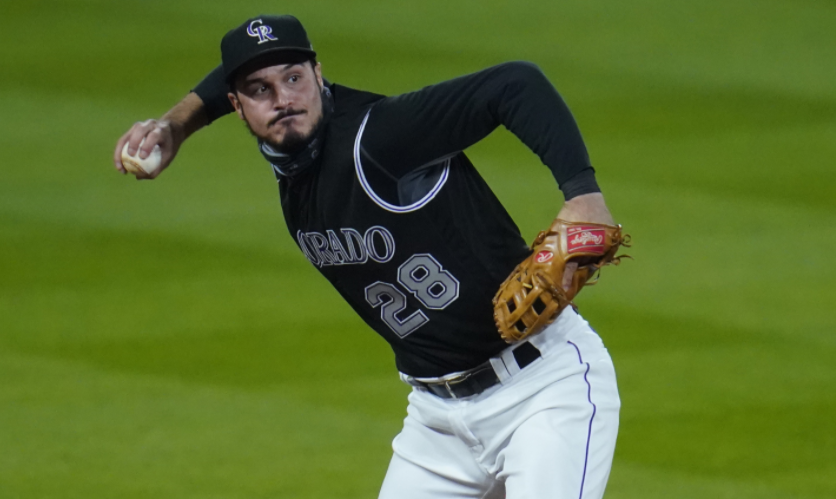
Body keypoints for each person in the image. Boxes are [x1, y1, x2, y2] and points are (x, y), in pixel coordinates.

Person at [113, 14, 621, 499]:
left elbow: (514, 84)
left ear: (318, 74)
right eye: (260, 91)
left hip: (542, 392)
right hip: (437, 421)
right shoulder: (292, 156)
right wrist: (176, 125)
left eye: (294, 78)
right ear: (236, 105)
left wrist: (582, 194)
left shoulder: (380, 137)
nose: (283, 100)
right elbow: (241, 72)